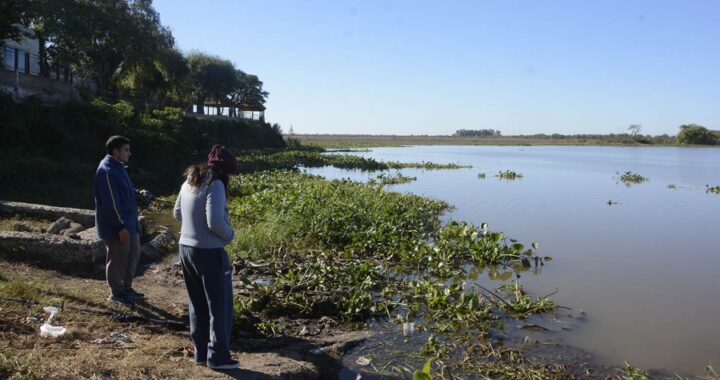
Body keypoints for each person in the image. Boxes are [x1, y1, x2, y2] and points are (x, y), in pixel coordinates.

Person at [173, 144, 239, 370]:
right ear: (224, 171)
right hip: (210, 253)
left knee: (197, 303)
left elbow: (177, 213)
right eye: (230, 173)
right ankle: (218, 357)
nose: (230, 177)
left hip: (185, 249)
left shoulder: (188, 181)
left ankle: (201, 353)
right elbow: (215, 223)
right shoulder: (216, 184)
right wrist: (231, 235)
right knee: (219, 307)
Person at [94, 135, 144, 307]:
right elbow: (109, 203)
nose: (130, 153)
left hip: (130, 223)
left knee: (133, 254)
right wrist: (120, 227)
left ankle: (127, 288)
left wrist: (138, 193)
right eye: (126, 150)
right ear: (116, 152)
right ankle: (116, 292)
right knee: (118, 259)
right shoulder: (106, 171)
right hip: (117, 227)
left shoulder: (119, 167)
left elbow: (125, 189)